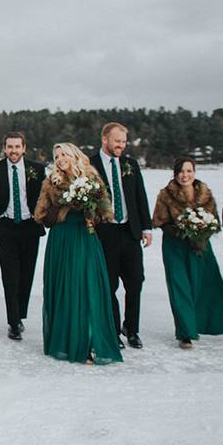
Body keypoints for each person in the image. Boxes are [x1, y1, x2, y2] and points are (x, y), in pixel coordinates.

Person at [34, 143, 122, 365]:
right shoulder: (50, 182)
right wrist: (64, 203)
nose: (60, 159)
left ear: (74, 155)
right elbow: (43, 218)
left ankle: (91, 341)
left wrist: (89, 206)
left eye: (64, 154)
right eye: (56, 156)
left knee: (88, 286)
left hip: (86, 237)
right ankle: (68, 341)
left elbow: (105, 212)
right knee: (68, 287)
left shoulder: (91, 177)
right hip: (62, 239)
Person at [152, 157, 223, 348]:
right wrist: (183, 229)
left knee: (202, 286)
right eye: (181, 171)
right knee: (180, 287)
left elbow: (214, 220)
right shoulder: (165, 195)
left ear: (194, 173)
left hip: (201, 246)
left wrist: (201, 229)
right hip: (175, 246)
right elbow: (160, 221)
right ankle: (186, 333)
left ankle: (210, 324)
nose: (185, 175)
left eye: (189, 171)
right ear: (175, 173)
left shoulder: (205, 193)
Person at [89, 122, 152, 348]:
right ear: (104, 139)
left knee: (136, 281)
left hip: (129, 230)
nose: (121, 146)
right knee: (109, 284)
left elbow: (140, 196)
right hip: (104, 233)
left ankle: (131, 328)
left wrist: (146, 227)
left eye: (124, 142)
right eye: (117, 141)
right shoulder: (90, 164)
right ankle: (113, 331)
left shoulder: (130, 164)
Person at [0, 132, 45, 341]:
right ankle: (13, 322)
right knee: (10, 276)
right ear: (4, 148)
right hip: (5, 228)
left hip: (30, 228)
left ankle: (20, 315)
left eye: (17, 147)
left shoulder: (37, 169)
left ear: (24, 148)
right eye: (10, 147)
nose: (14, 151)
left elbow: (46, 197)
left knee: (26, 275)